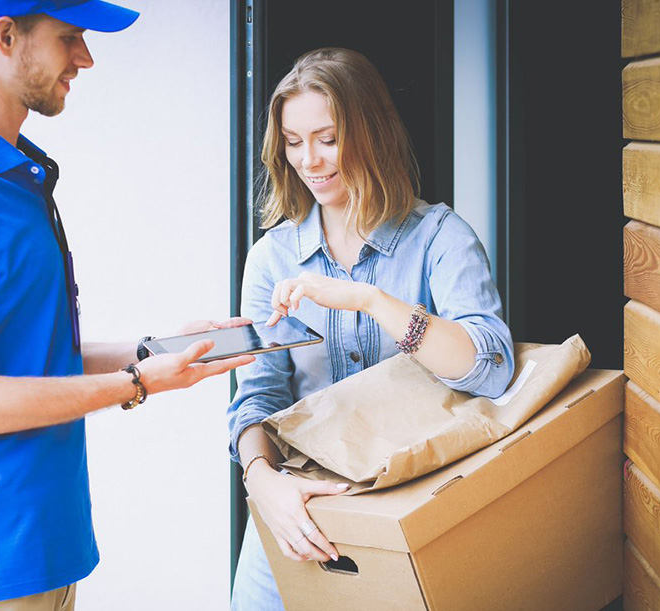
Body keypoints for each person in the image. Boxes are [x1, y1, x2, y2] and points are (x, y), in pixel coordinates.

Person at [0, 2, 253, 610]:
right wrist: (137, 383)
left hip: (44, 552)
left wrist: (157, 351)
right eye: (68, 37)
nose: (85, 57)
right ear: (5, 35)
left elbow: (35, 358)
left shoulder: (9, 174)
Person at [227, 47, 515, 610]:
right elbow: (258, 394)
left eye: (327, 138)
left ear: (370, 130)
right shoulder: (271, 259)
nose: (309, 160)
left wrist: (372, 300)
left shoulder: (439, 238)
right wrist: (262, 480)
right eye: (292, 141)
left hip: (411, 515)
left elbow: (493, 369)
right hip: (295, 515)